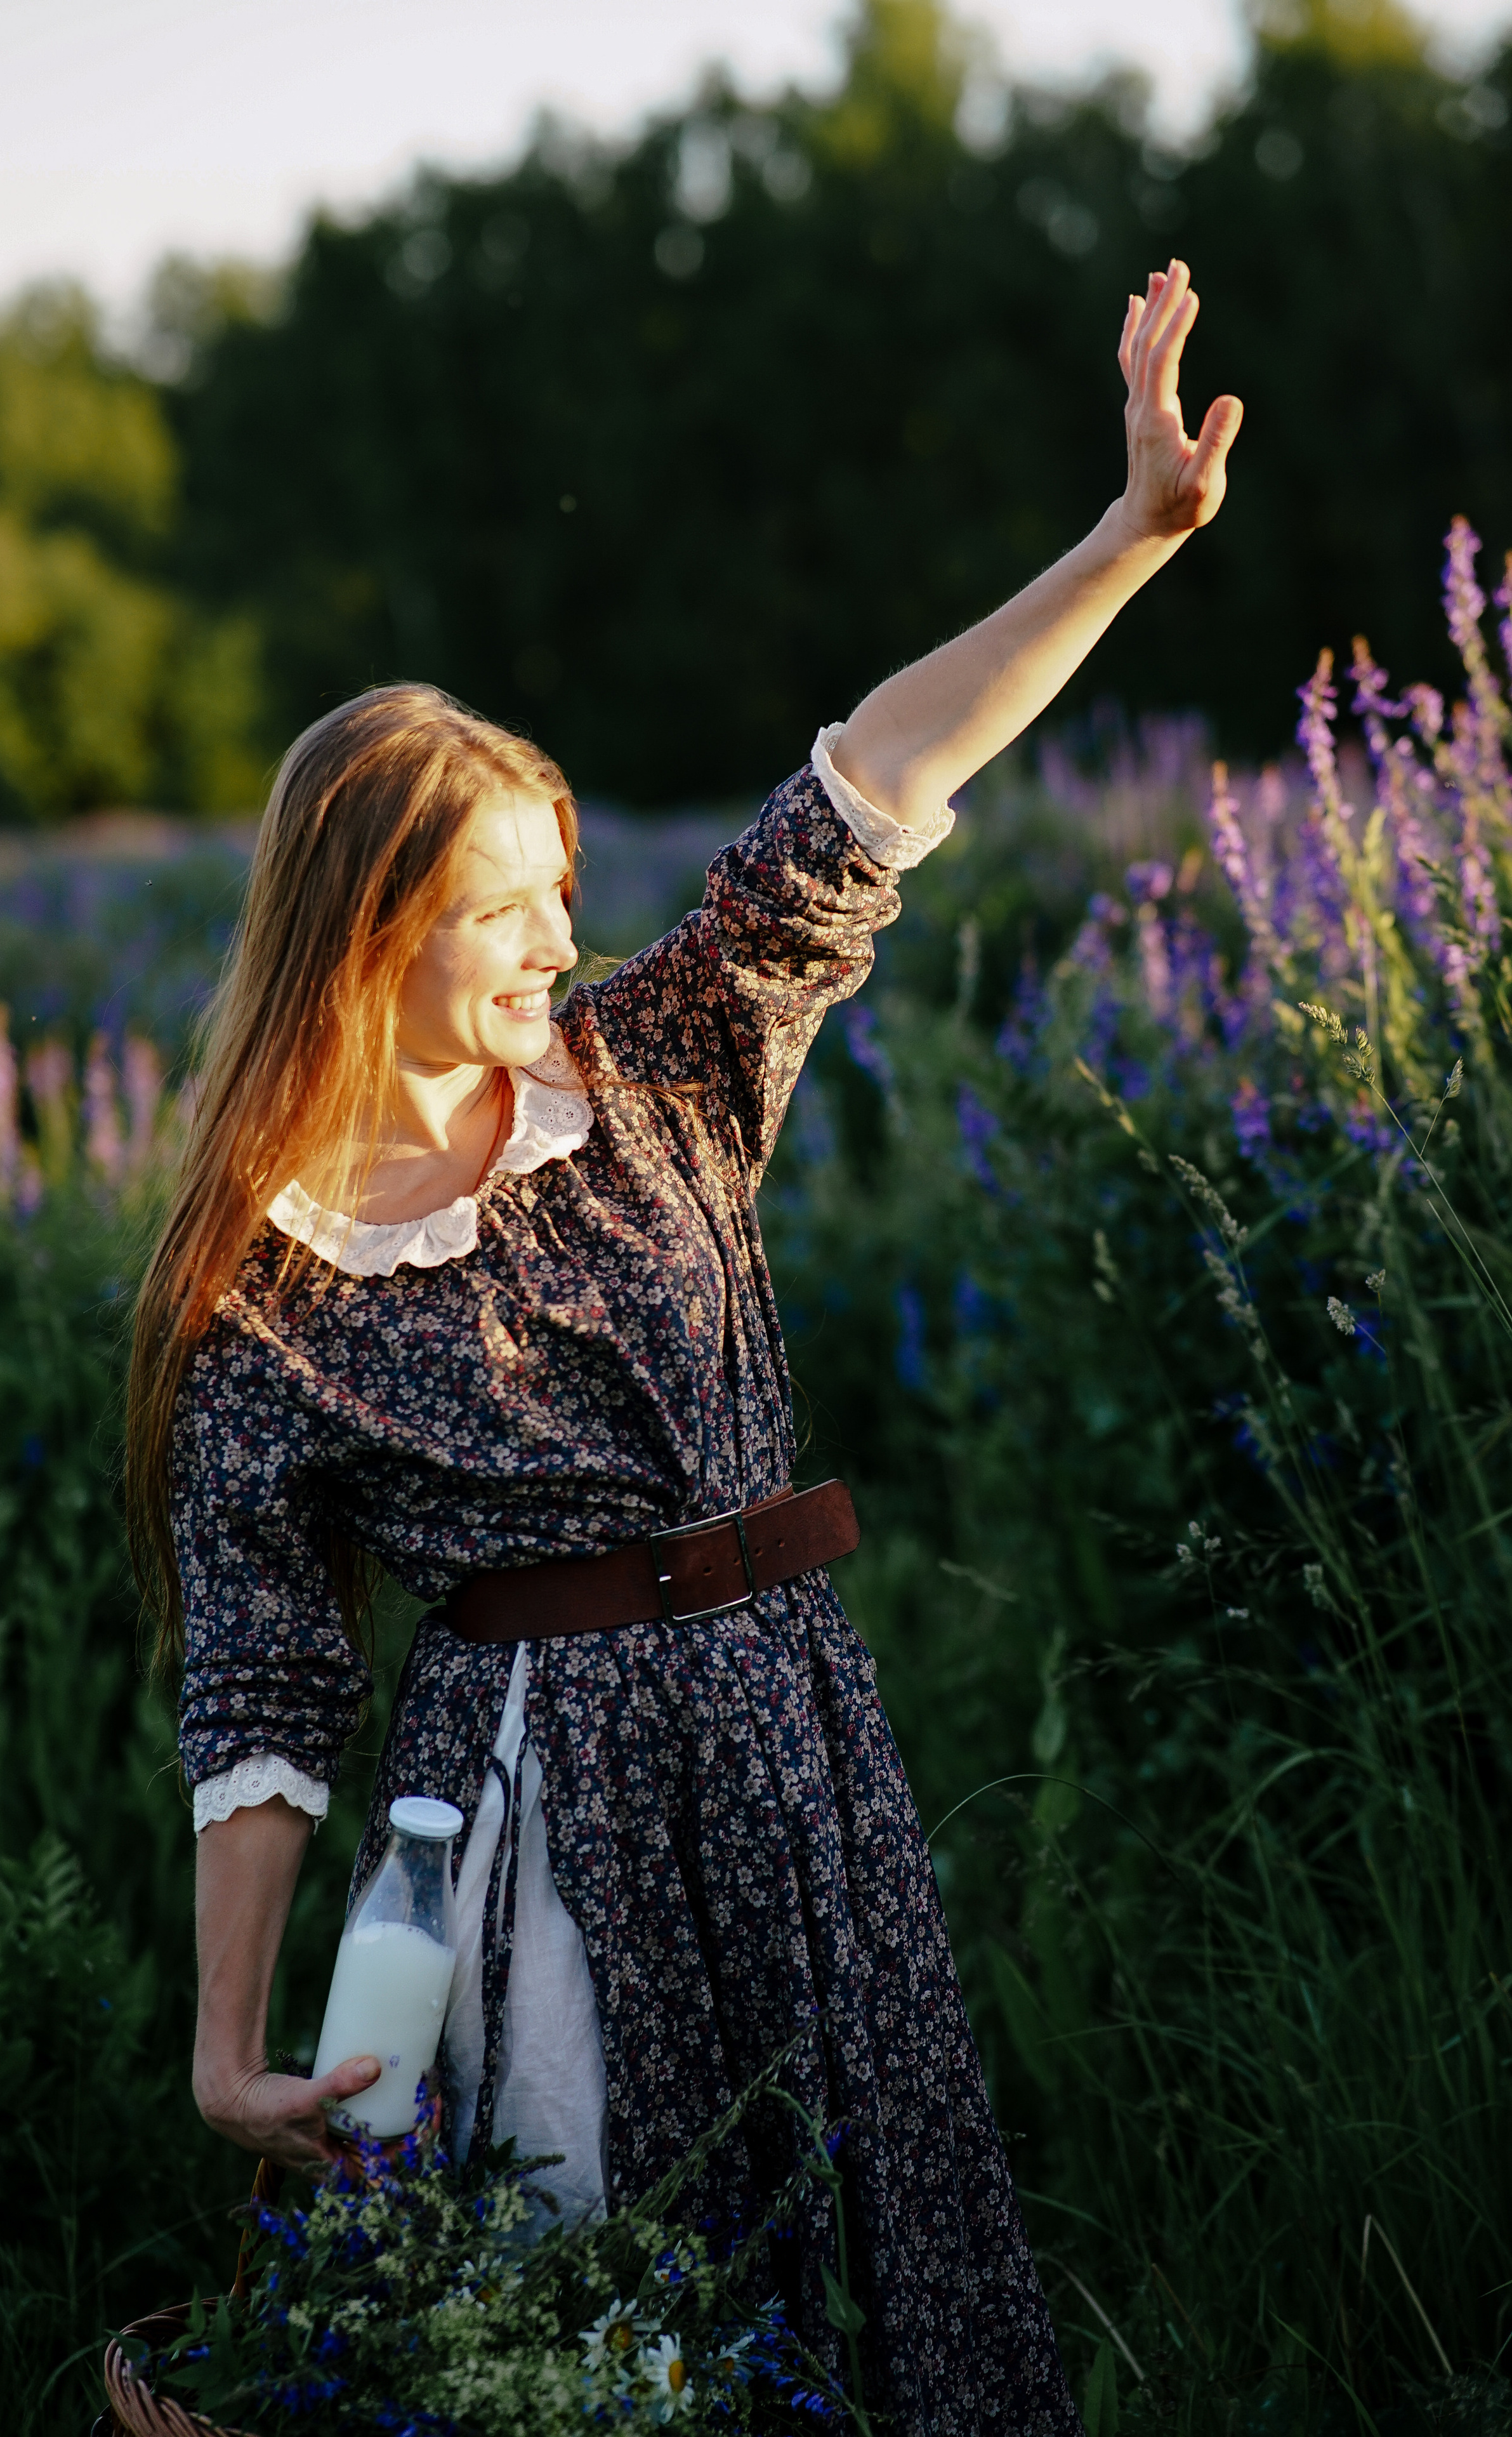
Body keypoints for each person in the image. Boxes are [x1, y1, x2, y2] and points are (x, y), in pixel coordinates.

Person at [128, 258, 1240, 2433]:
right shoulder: (253, 1296)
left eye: (565, 884)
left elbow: (878, 774)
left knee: (868, 2246)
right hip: (530, 1809)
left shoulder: (662, 1064)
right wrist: (222, 2033)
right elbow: (261, 1689)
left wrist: (1122, 545)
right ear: (373, 937)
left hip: (785, 1729)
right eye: (511, 907)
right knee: (601, 2292)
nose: (569, 934)